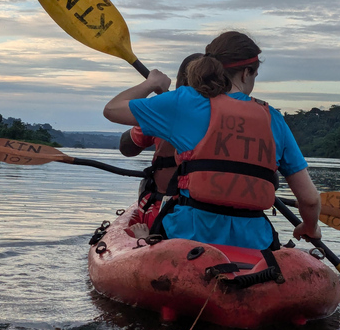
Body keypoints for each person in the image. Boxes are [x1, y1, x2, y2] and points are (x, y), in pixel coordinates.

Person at [103, 31, 321, 250]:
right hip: (254, 244)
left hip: (186, 239)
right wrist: (309, 227)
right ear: (246, 73)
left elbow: (112, 110)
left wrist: (152, 83)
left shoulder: (185, 102)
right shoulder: (273, 118)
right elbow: (310, 199)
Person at [118, 53, 202, 232]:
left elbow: (126, 148)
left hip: (165, 211)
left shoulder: (165, 112)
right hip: (215, 217)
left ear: (180, 83)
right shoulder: (230, 117)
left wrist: (144, 118)